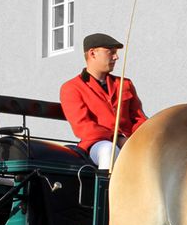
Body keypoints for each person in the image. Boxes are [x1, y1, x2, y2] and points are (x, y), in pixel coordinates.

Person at [59, 32, 147, 169]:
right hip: (96, 145)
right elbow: (83, 127)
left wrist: (139, 139)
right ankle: (107, 190)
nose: (116, 57)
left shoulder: (125, 84)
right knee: (108, 151)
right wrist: (117, 138)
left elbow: (138, 118)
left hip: (131, 143)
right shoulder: (72, 88)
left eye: (116, 53)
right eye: (110, 52)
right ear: (92, 53)